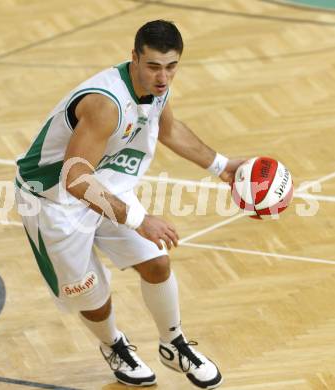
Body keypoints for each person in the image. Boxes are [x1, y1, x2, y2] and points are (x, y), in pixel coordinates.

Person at [15, 20, 242, 389]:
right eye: (153, 66)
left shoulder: (158, 89)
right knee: (92, 296)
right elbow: (75, 181)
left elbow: (168, 129)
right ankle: (113, 344)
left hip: (102, 184)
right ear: (134, 57)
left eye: (171, 66)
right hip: (52, 202)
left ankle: (174, 343)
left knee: (156, 263)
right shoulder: (105, 103)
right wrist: (140, 219)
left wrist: (221, 166)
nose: (163, 77)